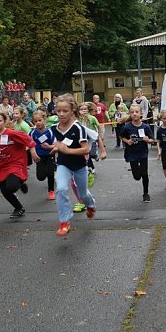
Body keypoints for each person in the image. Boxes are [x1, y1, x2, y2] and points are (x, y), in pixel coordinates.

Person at [50, 94, 96, 236]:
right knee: (61, 189)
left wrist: (67, 150)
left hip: (79, 165)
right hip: (63, 164)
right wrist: (54, 148)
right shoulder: (53, 128)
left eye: (65, 111)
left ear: (72, 111)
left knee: (83, 193)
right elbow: (58, 144)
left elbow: (86, 149)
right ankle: (64, 222)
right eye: (58, 111)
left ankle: (90, 205)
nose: (61, 114)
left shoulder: (78, 128)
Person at [0, 109, 39, 219]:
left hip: (16, 164)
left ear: (5, 121)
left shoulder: (11, 133)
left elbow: (28, 139)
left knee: (12, 187)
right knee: (5, 191)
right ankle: (19, 208)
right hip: (2, 166)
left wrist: (33, 152)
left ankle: (20, 182)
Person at [119, 104, 154, 202]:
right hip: (132, 153)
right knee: (137, 177)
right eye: (132, 112)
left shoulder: (146, 127)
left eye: (137, 112)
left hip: (143, 153)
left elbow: (152, 140)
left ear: (141, 113)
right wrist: (127, 141)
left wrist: (148, 140)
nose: (134, 114)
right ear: (130, 114)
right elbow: (121, 136)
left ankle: (146, 193)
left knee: (145, 174)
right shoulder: (127, 127)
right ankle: (137, 169)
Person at [29, 110, 56, 200]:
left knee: (50, 174)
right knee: (41, 177)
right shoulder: (33, 133)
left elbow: (56, 145)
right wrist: (32, 153)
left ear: (44, 119)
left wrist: (49, 147)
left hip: (49, 155)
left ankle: (51, 191)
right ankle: (47, 171)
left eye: (40, 120)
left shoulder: (50, 132)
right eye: (35, 121)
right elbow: (29, 143)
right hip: (39, 157)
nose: (38, 123)